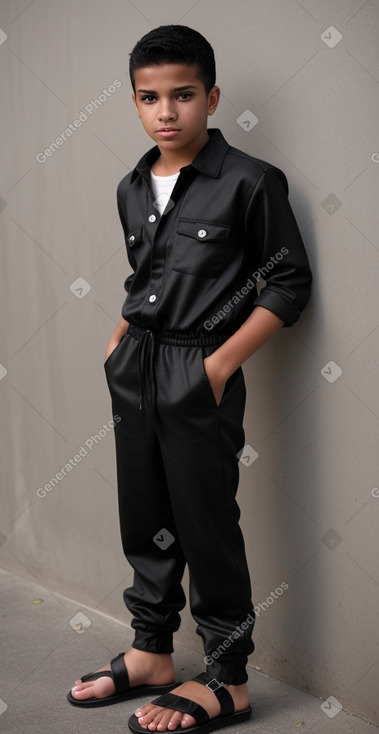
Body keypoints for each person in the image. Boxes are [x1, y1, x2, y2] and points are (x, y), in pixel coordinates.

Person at [68, 24, 312, 734]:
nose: (165, 111)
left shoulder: (249, 181)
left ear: (210, 97)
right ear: (135, 102)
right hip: (136, 364)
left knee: (204, 524)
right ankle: (149, 652)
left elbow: (286, 283)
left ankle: (228, 680)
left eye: (181, 95)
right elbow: (146, 278)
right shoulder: (132, 184)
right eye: (149, 97)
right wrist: (119, 337)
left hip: (195, 368)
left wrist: (219, 363)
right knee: (144, 517)